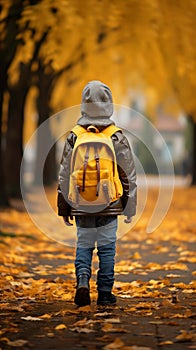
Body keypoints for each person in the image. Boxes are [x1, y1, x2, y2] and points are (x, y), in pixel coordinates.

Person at [57, 80, 137, 306]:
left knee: (84, 245)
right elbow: (128, 176)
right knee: (107, 249)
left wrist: (65, 207)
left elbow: (64, 174)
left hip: (81, 203)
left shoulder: (74, 136)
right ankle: (104, 293)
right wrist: (128, 207)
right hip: (109, 204)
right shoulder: (116, 136)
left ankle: (82, 280)